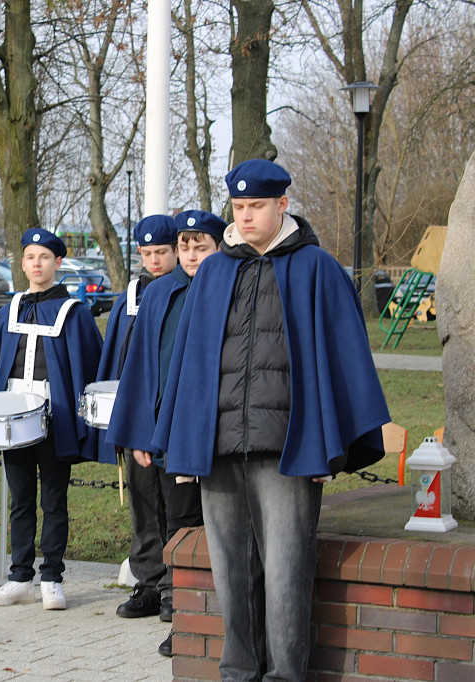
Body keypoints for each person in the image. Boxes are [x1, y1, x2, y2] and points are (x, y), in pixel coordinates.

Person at [151, 160, 390, 680]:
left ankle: (285, 676)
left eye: (256, 206)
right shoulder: (214, 272)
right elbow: (190, 362)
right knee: (231, 576)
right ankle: (238, 673)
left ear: (282, 204)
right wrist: (183, 441)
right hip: (219, 448)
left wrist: (330, 446)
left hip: (289, 449)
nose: (246, 216)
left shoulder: (316, 268)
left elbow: (343, 359)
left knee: (286, 575)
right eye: (239, 207)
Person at [107, 209, 224, 656]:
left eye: (200, 247)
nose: (190, 255)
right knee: (168, 516)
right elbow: (141, 366)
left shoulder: (228, 288)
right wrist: (139, 431)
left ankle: (192, 607)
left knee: (197, 521)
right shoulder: (158, 294)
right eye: (185, 247)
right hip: (164, 428)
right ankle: (167, 595)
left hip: (211, 427)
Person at [0, 227, 102, 610]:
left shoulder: (74, 314)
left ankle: (52, 577)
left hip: (55, 418)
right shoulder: (7, 311)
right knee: (21, 498)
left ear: (57, 262)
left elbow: (89, 366)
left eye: (44, 257)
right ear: (22, 263)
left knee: (54, 499)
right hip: (13, 418)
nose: (36, 264)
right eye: (30, 258)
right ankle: (20, 577)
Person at [95, 215, 178, 622]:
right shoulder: (129, 298)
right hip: (138, 417)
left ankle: (176, 585)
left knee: (177, 505)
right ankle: (148, 581)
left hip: (172, 416)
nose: (154, 260)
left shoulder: (186, 291)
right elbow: (118, 358)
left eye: (161, 252)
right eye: (147, 253)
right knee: (143, 504)